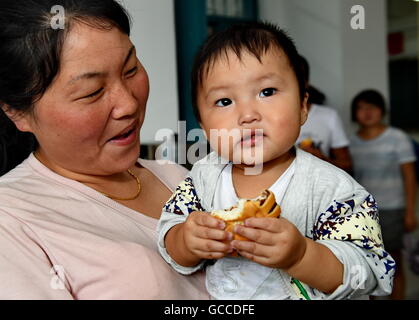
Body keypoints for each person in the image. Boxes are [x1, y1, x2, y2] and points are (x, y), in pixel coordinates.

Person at [157, 22, 394, 300]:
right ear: (204, 125)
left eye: (266, 92)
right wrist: (186, 241)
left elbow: (370, 269)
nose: (247, 115)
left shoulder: (334, 189)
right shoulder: (202, 176)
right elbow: (168, 229)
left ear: (303, 106)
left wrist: (302, 255)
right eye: (224, 101)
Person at [0, 0, 208, 299]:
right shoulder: (11, 221)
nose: (129, 104)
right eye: (92, 92)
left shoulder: (176, 177)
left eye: (131, 68)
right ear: (16, 112)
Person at [350, 89, 417, 300]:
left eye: (372, 107)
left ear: (382, 111)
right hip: (362, 212)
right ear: (355, 113)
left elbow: (409, 177)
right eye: (361, 108)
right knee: (367, 264)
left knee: (393, 261)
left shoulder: (397, 138)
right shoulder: (350, 142)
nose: (367, 112)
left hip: (392, 209)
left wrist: (410, 212)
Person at [296, 56, 352, 173]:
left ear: (306, 83)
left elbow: (347, 165)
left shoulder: (329, 116)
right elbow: (254, 169)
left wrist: (322, 158)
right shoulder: (261, 117)